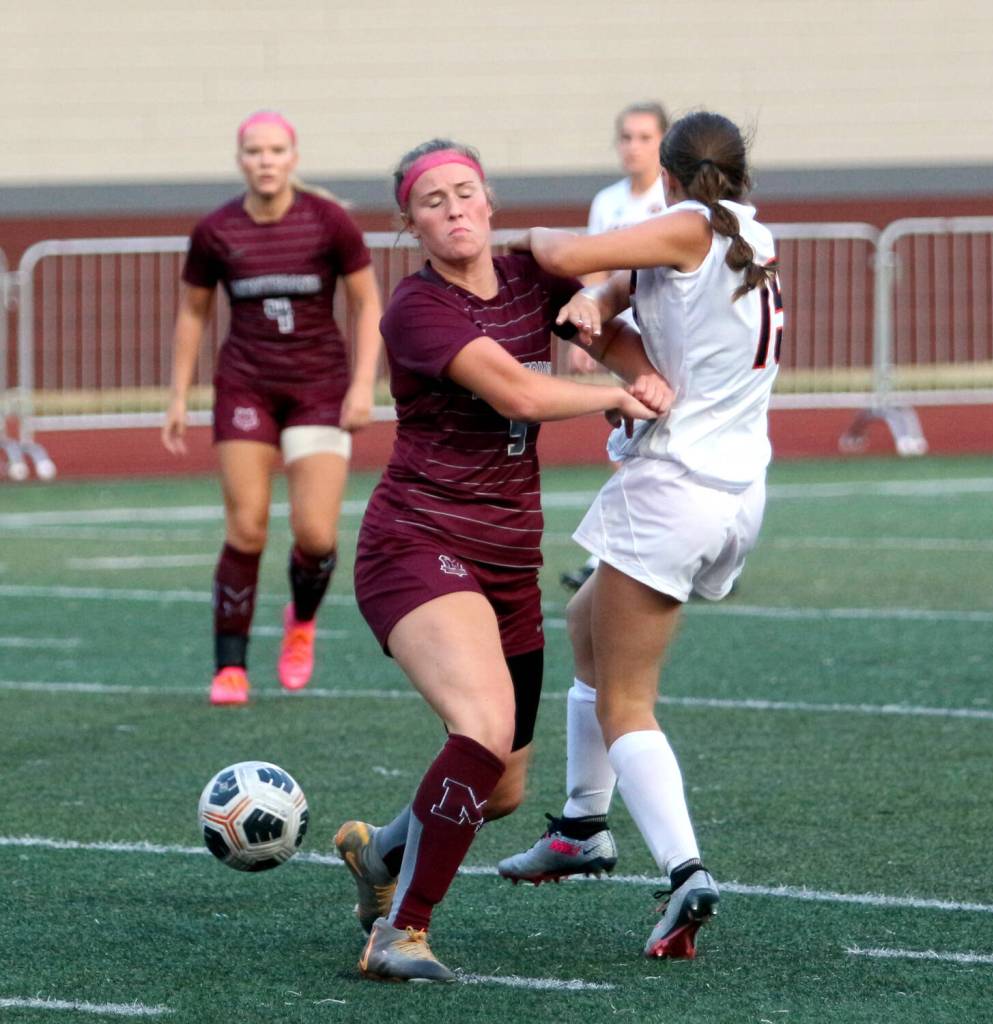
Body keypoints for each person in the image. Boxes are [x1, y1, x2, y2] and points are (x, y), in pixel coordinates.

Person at [333, 138, 672, 983]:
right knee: (479, 730)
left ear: (489, 203)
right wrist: (617, 396)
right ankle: (399, 933)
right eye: (433, 199)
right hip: (416, 544)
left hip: (509, 558)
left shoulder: (529, 277)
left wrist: (638, 366)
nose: (453, 208)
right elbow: (518, 391)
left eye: (465, 192)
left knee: (504, 788)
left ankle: (380, 855)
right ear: (408, 223)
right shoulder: (415, 308)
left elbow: (606, 321)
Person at [496, 110, 783, 961]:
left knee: (627, 699)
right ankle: (584, 822)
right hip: (734, 486)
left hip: (679, 486)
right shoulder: (747, 234)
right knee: (586, 619)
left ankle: (685, 870)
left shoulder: (689, 226)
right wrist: (603, 302)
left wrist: (496, 236)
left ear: (666, 173)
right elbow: (640, 293)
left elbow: (560, 254)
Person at [161, 111, 383, 706]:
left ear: (293, 157)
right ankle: (229, 666)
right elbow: (193, 312)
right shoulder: (216, 230)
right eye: (254, 151)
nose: (265, 160)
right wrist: (179, 393)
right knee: (248, 527)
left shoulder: (328, 222)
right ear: (240, 159)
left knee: (314, 535)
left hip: (318, 389)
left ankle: (301, 622)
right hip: (246, 388)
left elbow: (367, 303)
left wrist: (364, 385)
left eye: (276, 150)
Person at [560, 101, 668, 592]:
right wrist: (587, 331)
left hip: (667, 338)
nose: (633, 147)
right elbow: (595, 269)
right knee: (628, 440)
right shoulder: (608, 202)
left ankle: (701, 551)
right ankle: (607, 557)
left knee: (671, 440)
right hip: (625, 342)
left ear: (664, 143)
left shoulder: (675, 202)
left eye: (644, 137)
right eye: (626, 137)